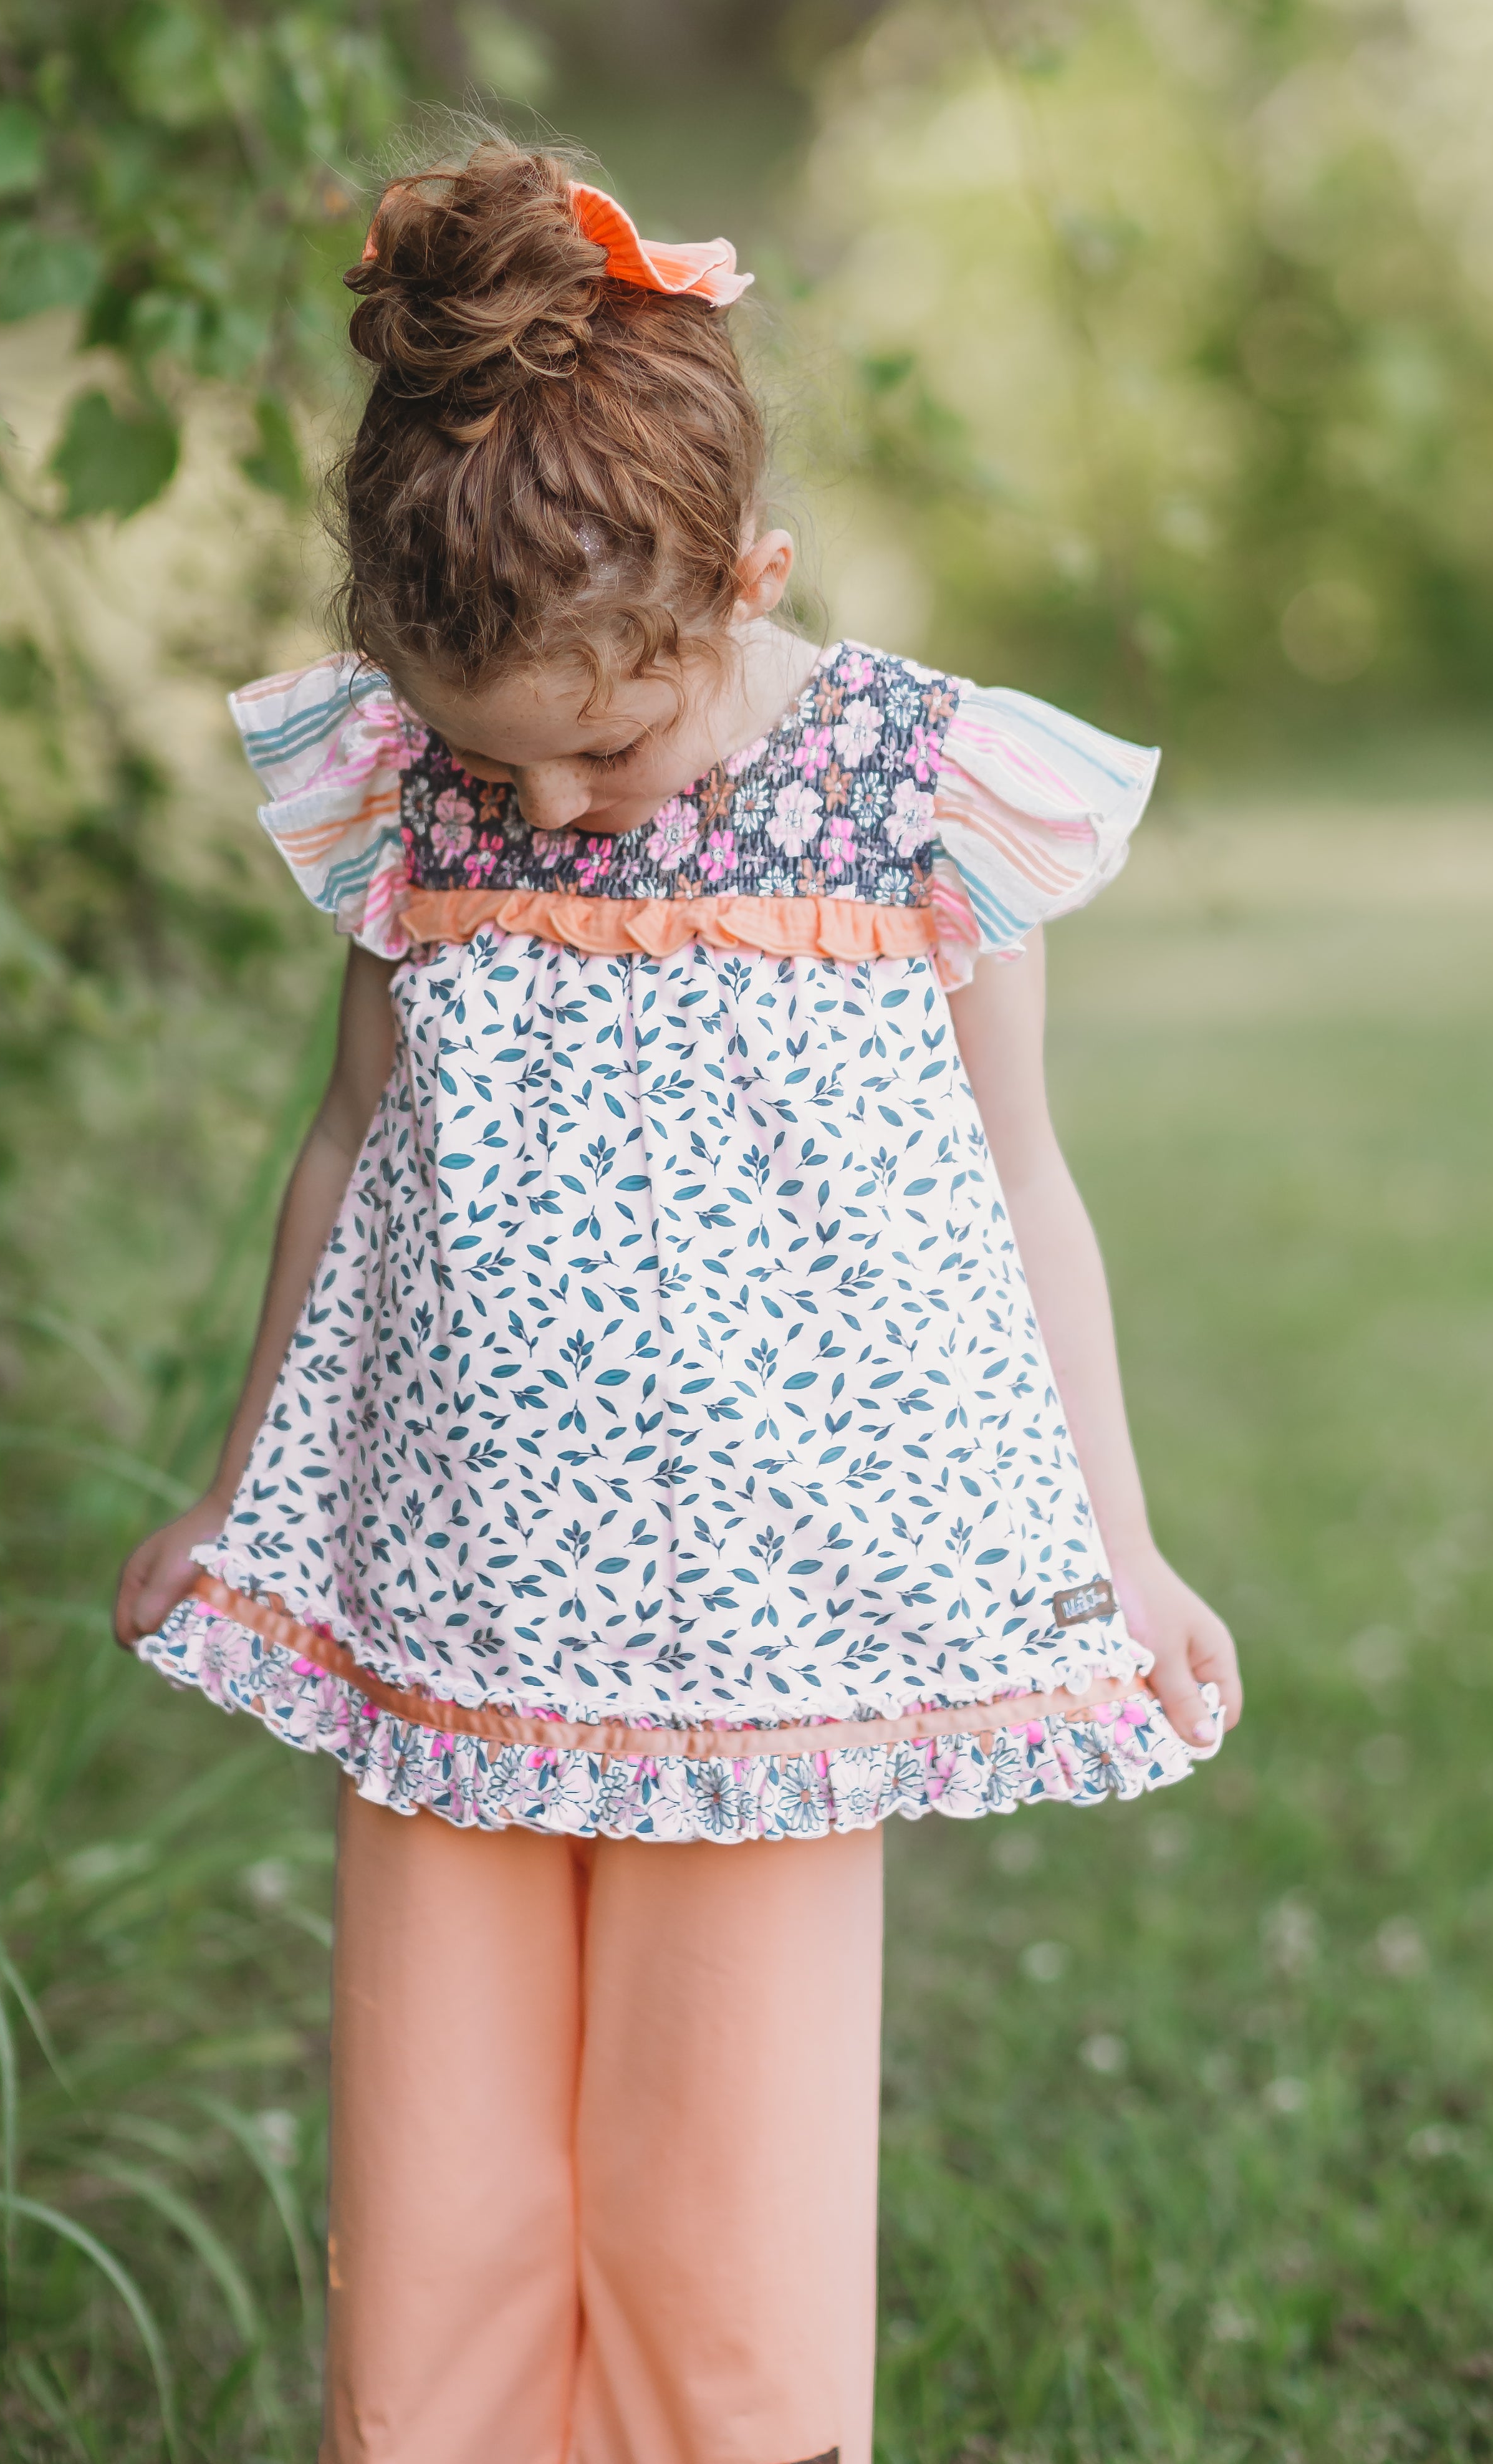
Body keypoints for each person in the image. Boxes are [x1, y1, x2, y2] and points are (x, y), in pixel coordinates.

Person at [114, 141, 1242, 2464]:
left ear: (749, 587)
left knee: (729, 2190)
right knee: (439, 2166)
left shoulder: (915, 794)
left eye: (604, 746)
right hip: (462, 1597)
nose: (549, 799)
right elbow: (346, 1147)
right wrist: (240, 1498)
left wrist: (1111, 1549)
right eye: (492, 749)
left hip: (781, 1625)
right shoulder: (427, 792)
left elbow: (1028, 1183)